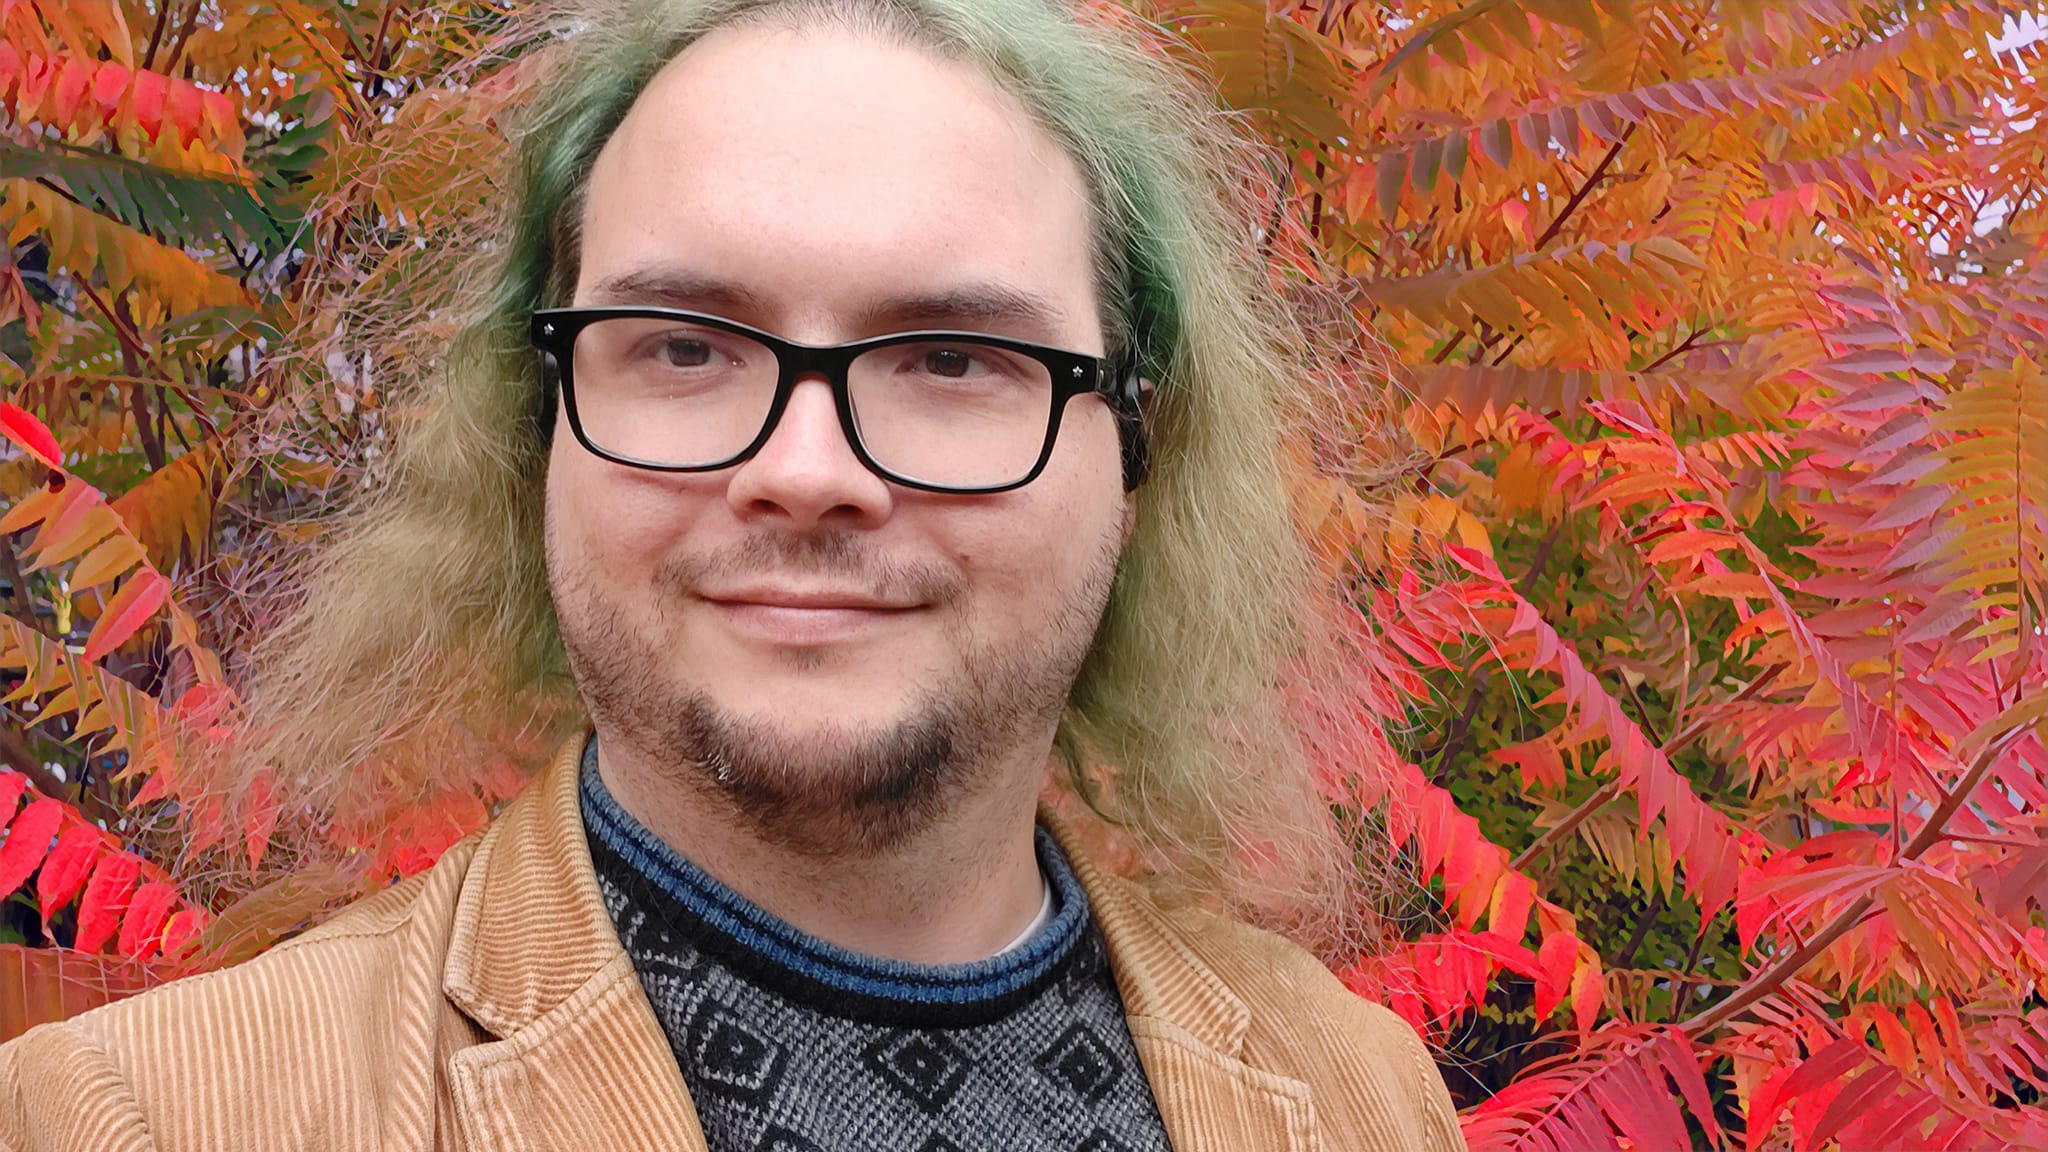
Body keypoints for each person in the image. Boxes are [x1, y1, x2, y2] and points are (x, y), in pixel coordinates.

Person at [0, 0, 1463, 1148]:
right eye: (686, 348)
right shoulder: (143, 1118)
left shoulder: (1360, 1097)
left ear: (1137, 458)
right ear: (536, 433)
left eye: (956, 357)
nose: (811, 469)